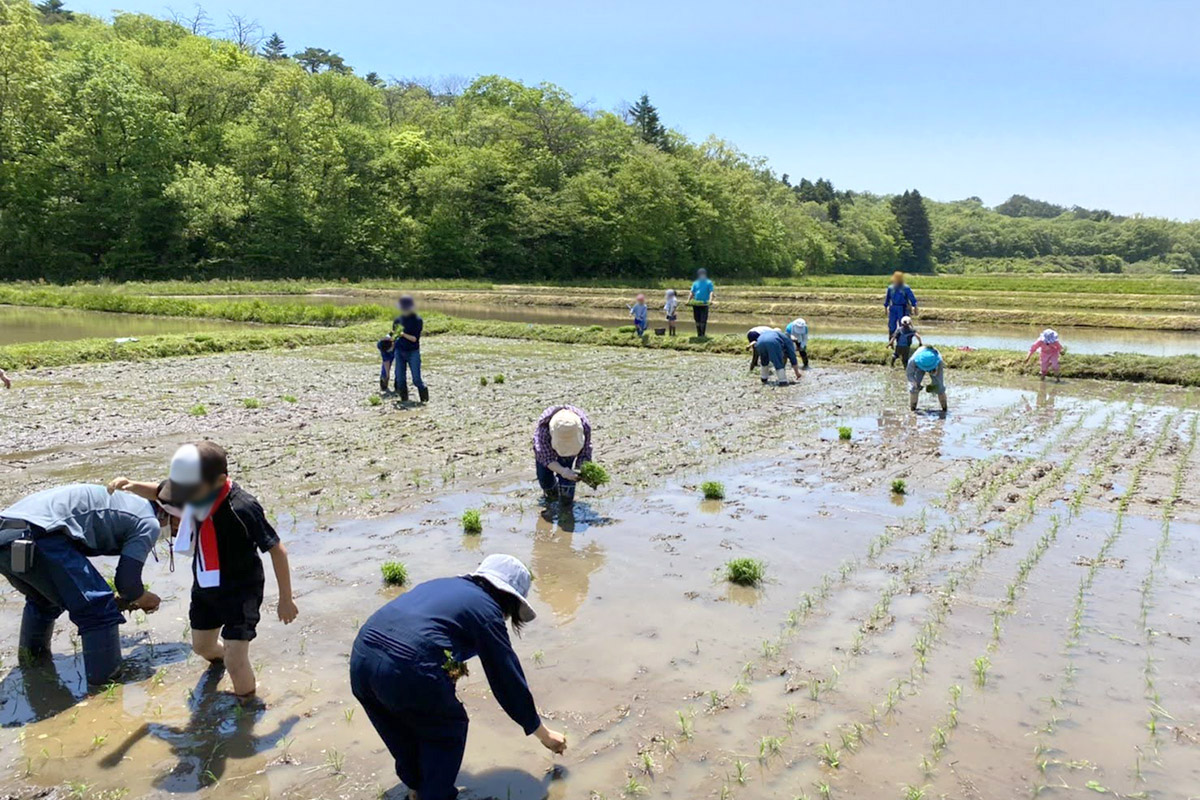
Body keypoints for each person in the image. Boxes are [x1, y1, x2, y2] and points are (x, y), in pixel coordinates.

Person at [350, 554, 567, 800]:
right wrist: (542, 733)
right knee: (447, 728)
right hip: (407, 668)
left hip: (361, 659)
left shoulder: (444, 586)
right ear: (509, 599)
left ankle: (416, 789)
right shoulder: (487, 610)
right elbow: (507, 679)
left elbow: (428, 635)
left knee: (400, 730)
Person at [110, 441, 298, 703]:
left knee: (236, 661)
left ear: (220, 480)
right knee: (202, 647)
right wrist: (131, 484)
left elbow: (277, 549)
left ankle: (247, 709)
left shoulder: (242, 507)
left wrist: (285, 599)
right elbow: (159, 491)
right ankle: (227, 658)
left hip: (241, 589)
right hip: (206, 582)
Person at [0, 484, 165, 685]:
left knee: (44, 601)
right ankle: (106, 687)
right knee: (98, 609)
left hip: (8, 534)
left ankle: (33, 668)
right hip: (37, 533)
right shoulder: (149, 522)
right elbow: (128, 584)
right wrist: (144, 598)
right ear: (172, 513)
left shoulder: (134, 505)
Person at [532, 406, 592, 506]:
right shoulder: (543, 430)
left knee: (568, 480)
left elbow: (585, 451)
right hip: (546, 452)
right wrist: (563, 471)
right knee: (544, 479)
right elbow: (546, 458)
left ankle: (566, 505)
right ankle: (552, 496)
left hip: (568, 445)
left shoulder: (583, 426)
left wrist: (580, 470)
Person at [392, 295, 428, 403]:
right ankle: (404, 400)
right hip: (399, 351)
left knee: (416, 379)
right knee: (400, 378)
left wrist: (402, 334)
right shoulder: (398, 320)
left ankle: (424, 400)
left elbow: (414, 339)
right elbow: (394, 334)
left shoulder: (417, 320)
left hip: (413, 352)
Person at [906, 345, 948, 412]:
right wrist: (914, 382)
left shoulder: (938, 360)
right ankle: (913, 409)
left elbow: (937, 375)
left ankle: (944, 409)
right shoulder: (913, 361)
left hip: (933, 365)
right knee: (914, 388)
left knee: (940, 387)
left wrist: (934, 375)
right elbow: (909, 374)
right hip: (919, 366)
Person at [884, 271, 918, 336]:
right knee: (891, 324)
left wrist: (915, 307)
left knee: (903, 324)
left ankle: (902, 341)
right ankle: (891, 340)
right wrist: (885, 308)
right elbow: (887, 298)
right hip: (893, 308)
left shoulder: (906, 288)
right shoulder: (890, 288)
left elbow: (912, 298)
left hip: (903, 308)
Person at [684, 268, 716, 337]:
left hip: (704, 303)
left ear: (705, 275)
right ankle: (699, 333)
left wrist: (710, 300)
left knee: (703, 319)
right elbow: (692, 292)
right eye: (700, 274)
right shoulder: (695, 283)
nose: (702, 275)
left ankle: (703, 334)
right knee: (697, 319)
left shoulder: (708, 282)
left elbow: (711, 292)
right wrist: (688, 300)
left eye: (703, 274)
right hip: (696, 303)